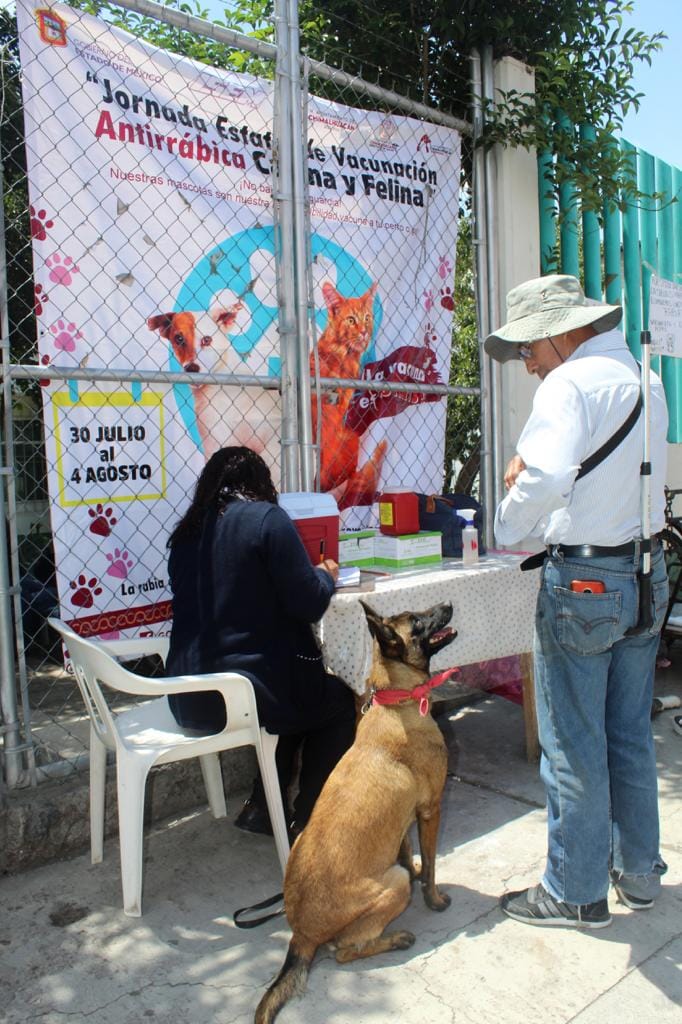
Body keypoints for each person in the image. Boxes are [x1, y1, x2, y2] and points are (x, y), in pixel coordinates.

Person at [485, 274, 669, 928]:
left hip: (585, 585)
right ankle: (639, 870)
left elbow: (545, 479)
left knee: (572, 742)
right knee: (627, 732)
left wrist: (507, 521)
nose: (528, 362)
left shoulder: (569, 385)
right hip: (647, 576)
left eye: (530, 344)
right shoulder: (643, 378)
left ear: (564, 330)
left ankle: (574, 890)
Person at [165, 446, 356, 837]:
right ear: (260, 484)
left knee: (290, 691)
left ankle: (262, 807)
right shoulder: (267, 519)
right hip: (243, 697)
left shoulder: (186, 533)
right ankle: (311, 820)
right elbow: (308, 603)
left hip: (188, 698)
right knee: (333, 701)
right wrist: (325, 575)